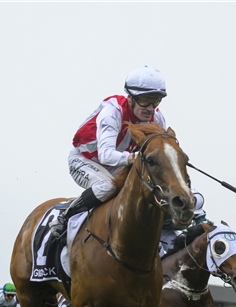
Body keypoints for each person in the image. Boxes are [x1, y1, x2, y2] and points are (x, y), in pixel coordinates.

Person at [50, 65, 170, 239]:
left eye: (156, 101)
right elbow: (106, 155)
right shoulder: (112, 113)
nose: (150, 108)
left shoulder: (157, 118)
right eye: (145, 100)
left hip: (117, 163)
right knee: (107, 187)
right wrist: (135, 157)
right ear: (130, 98)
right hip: (85, 160)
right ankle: (65, 218)